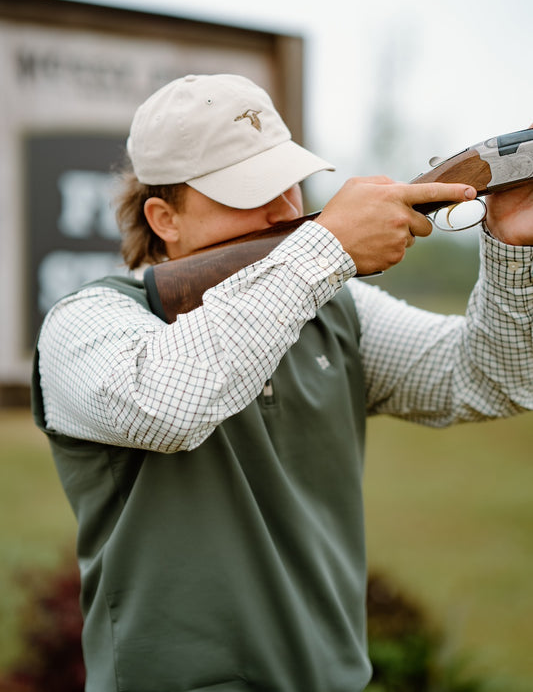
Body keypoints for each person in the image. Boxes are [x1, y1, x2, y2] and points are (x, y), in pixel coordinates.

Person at [32, 73, 533, 692]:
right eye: (249, 193)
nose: (285, 211)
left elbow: (488, 378)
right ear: (164, 218)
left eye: (288, 183)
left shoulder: (333, 308)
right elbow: (166, 406)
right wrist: (327, 248)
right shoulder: (86, 323)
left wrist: (511, 246)